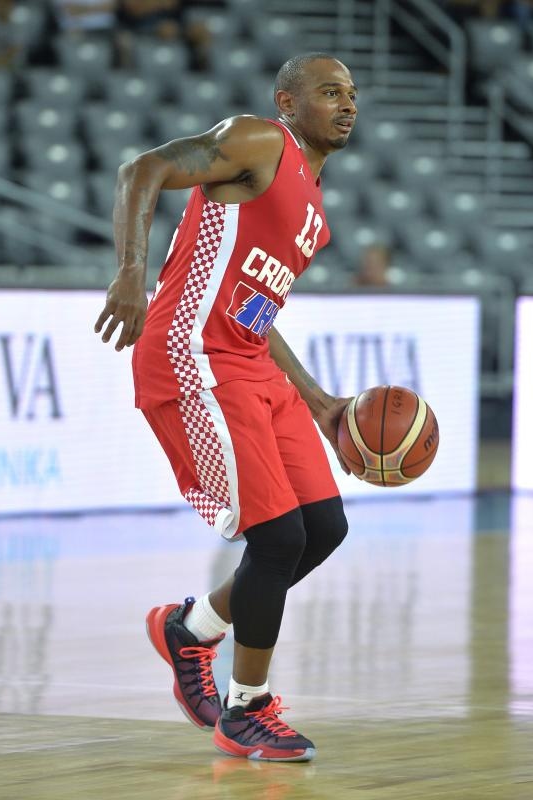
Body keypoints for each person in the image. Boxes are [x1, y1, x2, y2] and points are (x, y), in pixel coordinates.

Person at [94, 53, 357, 762]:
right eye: (330, 92)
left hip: (248, 362)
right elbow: (139, 170)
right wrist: (130, 272)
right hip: (192, 357)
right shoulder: (259, 141)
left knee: (324, 527)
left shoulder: (313, 211)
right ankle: (247, 709)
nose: (346, 104)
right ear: (289, 101)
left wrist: (321, 403)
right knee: (276, 540)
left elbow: (253, 309)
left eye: (352, 95)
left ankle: (192, 628)